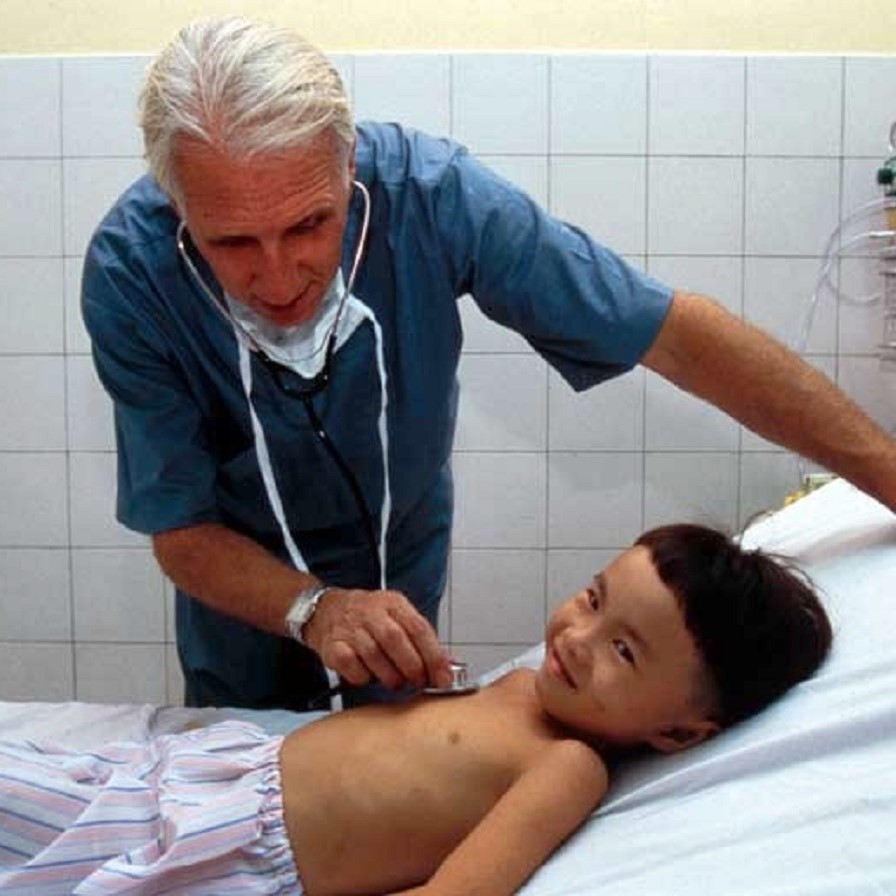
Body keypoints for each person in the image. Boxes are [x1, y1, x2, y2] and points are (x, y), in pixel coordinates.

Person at [81, 16, 889, 712]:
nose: (281, 275)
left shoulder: (433, 198)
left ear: (348, 163)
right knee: (247, 772)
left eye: (309, 226)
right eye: (233, 245)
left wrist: (886, 473)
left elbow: (672, 334)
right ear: (180, 211)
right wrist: (312, 609)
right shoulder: (132, 274)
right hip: (238, 594)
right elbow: (180, 528)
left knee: (392, 741)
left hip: (401, 559)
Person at [0, 524, 832, 896]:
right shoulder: (528, 686)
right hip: (195, 776)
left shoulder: (568, 768)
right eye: (592, 598)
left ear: (681, 731)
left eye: (625, 651)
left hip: (223, 854)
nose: (577, 638)